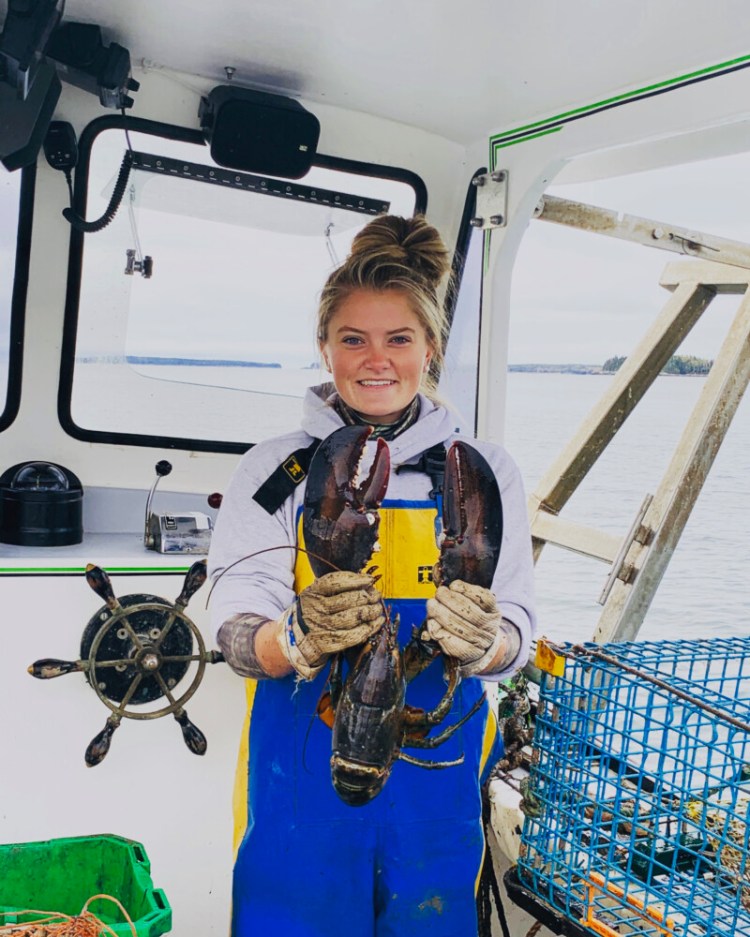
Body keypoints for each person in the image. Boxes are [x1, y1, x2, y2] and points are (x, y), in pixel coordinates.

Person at [207, 214, 536, 937]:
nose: (375, 359)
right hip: (302, 766)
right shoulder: (278, 468)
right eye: (353, 338)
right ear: (324, 347)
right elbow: (231, 618)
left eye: (399, 339)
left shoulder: (482, 470)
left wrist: (487, 643)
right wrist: (291, 639)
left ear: (431, 348)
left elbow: (519, 627)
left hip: (437, 773)